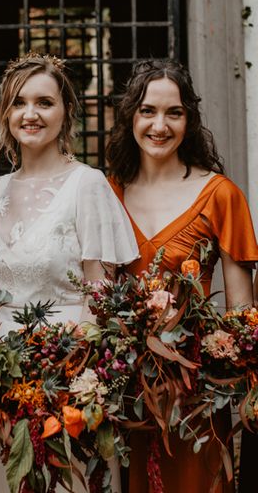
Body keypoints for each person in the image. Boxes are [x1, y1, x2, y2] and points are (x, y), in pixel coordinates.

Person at [0, 52, 139, 492]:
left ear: (66, 113)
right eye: (18, 102)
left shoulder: (88, 185)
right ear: (5, 115)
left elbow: (100, 295)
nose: (31, 114)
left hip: (64, 372)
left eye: (44, 102)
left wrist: (72, 378)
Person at [106, 58, 258, 493]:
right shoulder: (108, 193)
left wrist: (220, 366)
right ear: (131, 116)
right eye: (148, 111)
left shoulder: (221, 195)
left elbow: (242, 311)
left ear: (189, 120)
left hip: (197, 392)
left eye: (174, 112)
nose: (160, 125)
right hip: (125, 387)